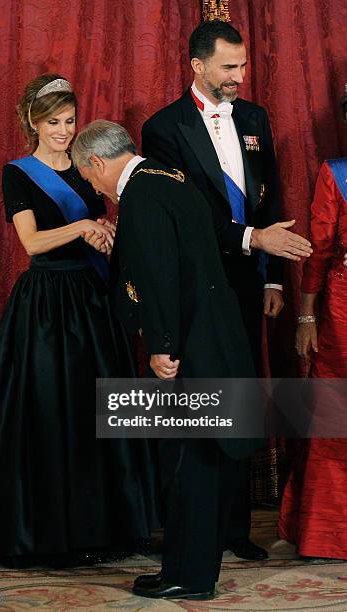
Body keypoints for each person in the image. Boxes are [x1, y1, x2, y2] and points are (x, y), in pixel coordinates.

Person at [0, 74, 158, 566]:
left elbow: (102, 220)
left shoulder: (87, 164)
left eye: (70, 121)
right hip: (46, 304)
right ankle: (48, 530)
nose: (65, 131)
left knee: (99, 411)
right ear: (33, 121)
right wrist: (82, 225)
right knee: (51, 411)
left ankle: (106, 525)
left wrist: (106, 230)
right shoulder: (18, 173)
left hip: (92, 299)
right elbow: (31, 242)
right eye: (54, 122)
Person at [72, 119, 262, 601]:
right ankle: (188, 567)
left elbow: (161, 274)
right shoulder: (167, 177)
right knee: (201, 461)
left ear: (97, 161)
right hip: (216, 337)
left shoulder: (142, 195)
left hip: (190, 347)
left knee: (189, 462)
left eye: (91, 179)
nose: (96, 189)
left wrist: (161, 345)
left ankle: (190, 577)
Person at [141, 19, 308, 561]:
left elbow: (271, 194)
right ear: (197, 66)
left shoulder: (255, 116)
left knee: (238, 397)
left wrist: (273, 273)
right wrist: (250, 238)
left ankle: (236, 527)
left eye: (243, 66)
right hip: (196, 286)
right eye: (228, 67)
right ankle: (197, 529)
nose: (239, 76)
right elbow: (183, 220)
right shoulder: (163, 129)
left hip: (247, 279)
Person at [278, 96, 347, 559]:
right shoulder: (336, 173)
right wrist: (306, 316)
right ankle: (330, 532)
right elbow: (318, 251)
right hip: (343, 314)